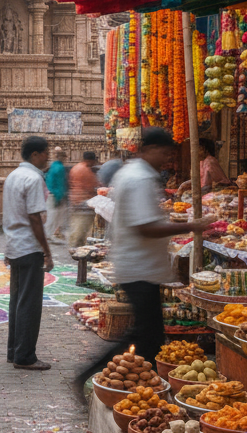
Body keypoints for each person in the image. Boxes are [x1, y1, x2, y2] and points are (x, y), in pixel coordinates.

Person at [74, 128, 214, 395]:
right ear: (148, 149)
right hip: (139, 267)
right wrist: (191, 226)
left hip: (139, 265)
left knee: (146, 333)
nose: (168, 159)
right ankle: (99, 379)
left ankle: (134, 386)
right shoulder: (139, 178)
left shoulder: (136, 174)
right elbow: (145, 227)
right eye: (164, 153)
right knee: (146, 336)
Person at [3, 136, 54, 371]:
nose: (48, 157)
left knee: (17, 301)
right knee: (29, 304)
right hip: (29, 246)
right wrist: (46, 251)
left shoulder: (13, 176)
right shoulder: (33, 178)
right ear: (35, 155)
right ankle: (24, 356)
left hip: (15, 246)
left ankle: (15, 351)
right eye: (45, 153)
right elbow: (34, 217)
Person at [68, 151, 100, 247]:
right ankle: (76, 249)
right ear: (91, 160)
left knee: (77, 227)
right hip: (83, 203)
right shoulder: (86, 171)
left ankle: (75, 246)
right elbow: (93, 187)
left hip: (75, 201)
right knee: (81, 229)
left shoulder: (76, 168)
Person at [44, 148, 70, 244]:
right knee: (55, 216)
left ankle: (50, 234)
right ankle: (48, 235)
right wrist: (60, 197)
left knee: (52, 216)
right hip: (56, 194)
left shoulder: (52, 166)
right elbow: (60, 183)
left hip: (50, 193)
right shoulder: (60, 168)